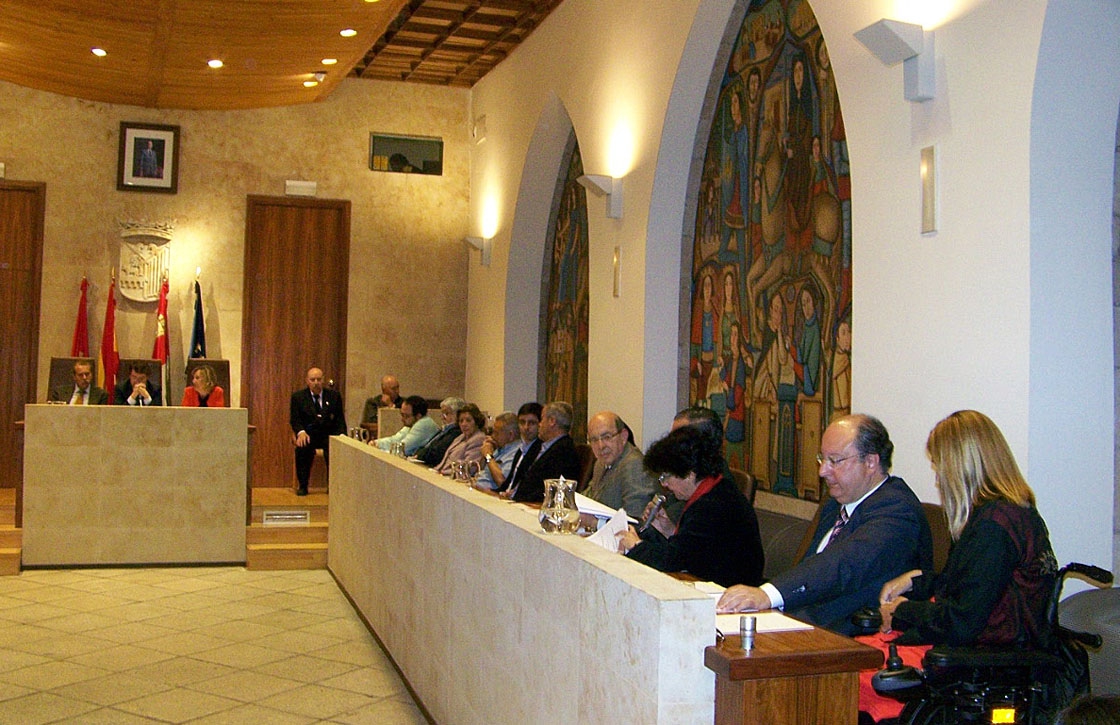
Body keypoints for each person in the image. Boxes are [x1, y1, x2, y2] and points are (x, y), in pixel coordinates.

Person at [717, 414, 932, 635]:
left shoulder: (896, 509)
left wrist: (768, 595)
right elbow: (810, 570)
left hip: (846, 638)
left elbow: (842, 565)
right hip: (799, 624)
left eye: (835, 461)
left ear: (870, 462)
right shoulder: (836, 503)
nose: (822, 471)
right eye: (822, 459)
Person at [878, 410, 1058, 646]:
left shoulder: (992, 528)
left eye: (938, 466)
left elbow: (960, 622)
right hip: (1001, 646)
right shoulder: (1010, 513)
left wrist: (903, 610)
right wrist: (915, 581)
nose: (938, 479)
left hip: (990, 658)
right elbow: (971, 587)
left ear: (958, 467)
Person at [617, 425, 764, 587]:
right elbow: (697, 548)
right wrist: (668, 530)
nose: (664, 484)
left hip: (727, 591)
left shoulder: (712, 505)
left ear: (689, 473)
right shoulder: (716, 489)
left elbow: (673, 561)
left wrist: (636, 546)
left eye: (666, 476)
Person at [584, 410, 657, 519]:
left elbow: (634, 519)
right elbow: (589, 495)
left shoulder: (634, 465)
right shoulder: (600, 463)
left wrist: (595, 523)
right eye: (594, 439)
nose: (600, 446)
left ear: (623, 436)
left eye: (607, 437)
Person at [504, 401, 580, 503]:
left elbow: (546, 490)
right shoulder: (546, 446)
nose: (540, 424)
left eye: (542, 419)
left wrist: (517, 497)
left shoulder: (563, 451)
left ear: (552, 421)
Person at [289, 367, 346, 496]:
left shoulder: (334, 396)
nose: (316, 382)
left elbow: (339, 420)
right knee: (303, 447)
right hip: (308, 434)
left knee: (336, 449)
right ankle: (303, 485)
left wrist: (342, 436)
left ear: (323, 380)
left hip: (328, 435)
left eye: (319, 379)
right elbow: (295, 420)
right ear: (307, 381)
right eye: (312, 379)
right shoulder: (298, 397)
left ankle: (333, 485)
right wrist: (300, 432)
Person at [497, 402, 543, 498]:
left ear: (540, 424)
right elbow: (509, 481)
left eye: (532, 423)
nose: (526, 427)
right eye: (522, 422)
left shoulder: (540, 450)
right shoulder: (521, 449)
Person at [373, 395, 438, 456]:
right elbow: (395, 439)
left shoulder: (424, 425)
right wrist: (376, 443)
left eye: (406, 416)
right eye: (402, 414)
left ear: (418, 416)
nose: (402, 419)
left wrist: (378, 451)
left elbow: (402, 449)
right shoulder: (412, 424)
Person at [474, 412, 520, 491]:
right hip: (478, 487)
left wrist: (488, 456)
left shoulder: (516, 453)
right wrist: (485, 454)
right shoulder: (499, 448)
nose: (493, 436)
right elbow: (480, 470)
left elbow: (502, 482)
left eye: (496, 433)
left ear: (511, 435)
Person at [435, 403, 486, 475]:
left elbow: (469, 469)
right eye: (461, 421)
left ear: (477, 422)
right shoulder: (460, 437)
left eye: (468, 420)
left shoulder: (479, 440)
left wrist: (443, 473)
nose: (463, 424)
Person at [414, 397, 465, 466]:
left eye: (447, 413)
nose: (443, 417)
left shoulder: (456, 432)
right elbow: (427, 446)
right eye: (442, 413)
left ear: (458, 415)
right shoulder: (444, 430)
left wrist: (420, 455)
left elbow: (436, 453)